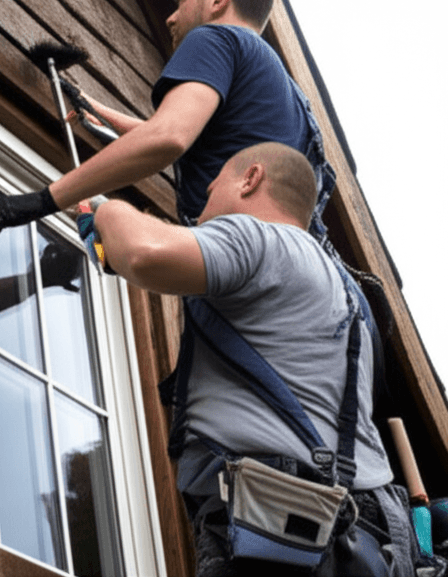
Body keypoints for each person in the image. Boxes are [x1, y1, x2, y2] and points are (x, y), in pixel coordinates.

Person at [95, 142, 414, 576]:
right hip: (365, 535)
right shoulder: (343, 291)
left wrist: (108, 212)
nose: (202, 212)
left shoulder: (259, 237)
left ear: (250, 179)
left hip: (278, 528)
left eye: (210, 193)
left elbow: (144, 254)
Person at [0, 0, 334, 250]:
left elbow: (168, 136)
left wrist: (41, 201)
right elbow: (183, 133)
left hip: (244, 270)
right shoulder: (288, 98)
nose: (171, 18)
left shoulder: (216, 39)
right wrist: (96, 110)